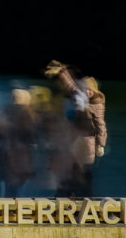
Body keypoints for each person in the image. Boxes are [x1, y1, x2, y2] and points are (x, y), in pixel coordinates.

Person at [43, 60, 107, 197]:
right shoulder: (80, 96)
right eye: (86, 89)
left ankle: (85, 200)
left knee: (84, 172)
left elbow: (100, 124)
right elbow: (70, 85)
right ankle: (65, 197)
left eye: (90, 90)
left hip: (87, 141)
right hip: (73, 138)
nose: (88, 92)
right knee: (69, 170)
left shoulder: (97, 104)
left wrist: (101, 145)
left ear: (94, 90)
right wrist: (62, 71)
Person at [0, 88, 36, 196]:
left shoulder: (4, 111)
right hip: (21, 156)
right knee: (19, 189)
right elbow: (30, 136)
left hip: (5, 154)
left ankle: (8, 209)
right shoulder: (27, 113)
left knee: (9, 188)